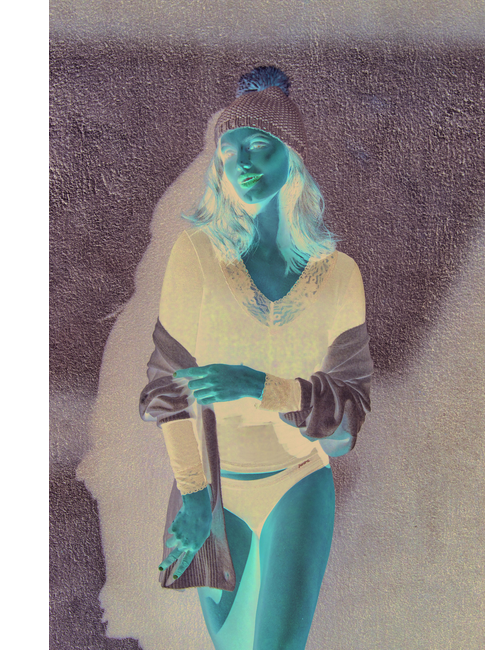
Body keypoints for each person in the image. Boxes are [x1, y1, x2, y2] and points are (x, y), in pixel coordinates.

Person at [139, 66, 374, 650]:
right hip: (214, 492)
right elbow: (167, 387)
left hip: (300, 484)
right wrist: (194, 496)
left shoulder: (340, 275)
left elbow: (348, 418)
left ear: (292, 157)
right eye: (227, 151)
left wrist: (260, 386)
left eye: (258, 145)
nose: (239, 161)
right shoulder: (195, 254)